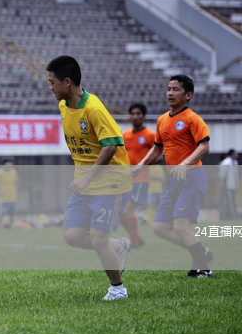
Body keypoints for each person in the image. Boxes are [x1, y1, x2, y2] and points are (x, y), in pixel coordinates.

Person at [46, 55, 132, 301]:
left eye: (52, 82)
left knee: (98, 239)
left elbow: (110, 146)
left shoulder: (94, 108)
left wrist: (86, 178)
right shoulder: (64, 106)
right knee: (71, 236)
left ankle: (118, 289)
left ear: (67, 82)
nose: (50, 87)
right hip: (84, 182)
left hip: (110, 182)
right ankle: (119, 246)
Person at [132, 74, 213, 278]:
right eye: (169, 88)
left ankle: (204, 267)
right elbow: (157, 149)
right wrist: (140, 165)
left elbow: (204, 146)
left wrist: (185, 164)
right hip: (174, 180)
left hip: (192, 176)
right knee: (160, 227)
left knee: (181, 226)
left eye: (176, 89)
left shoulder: (192, 118)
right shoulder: (162, 120)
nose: (170, 93)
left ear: (188, 95)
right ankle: (201, 252)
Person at [119, 103, 155, 248]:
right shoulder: (125, 135)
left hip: (141, 179)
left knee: (127, 210)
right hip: (125, 179)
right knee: (120, 212)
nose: (135, 116)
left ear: (144, 116)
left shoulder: (150, 135)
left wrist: (142, 166)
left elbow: (158, 155)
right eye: (132, 114)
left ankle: (134, 241)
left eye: (138, 114)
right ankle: (137, 238)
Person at [0, 158, 19, 230]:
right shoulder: (0, 172)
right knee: (1, 213)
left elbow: (16, 182)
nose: (10, 165)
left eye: (11, 163)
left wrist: (16, 190)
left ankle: (11, 226)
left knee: (12, 214)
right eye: (8, 163)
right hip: (3, 198)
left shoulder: (14, 172)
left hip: (12, 197)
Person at [218, 149, 238, 220]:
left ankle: (231, 216)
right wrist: (222, 181)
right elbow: (222, 173)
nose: (237, 155)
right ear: (232, 154)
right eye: (235, 154)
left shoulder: (235, 162)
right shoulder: (226, 162)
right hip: (226, 185)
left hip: (233, 185)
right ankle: (227, 217)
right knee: (225, 201)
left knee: (232, 201)